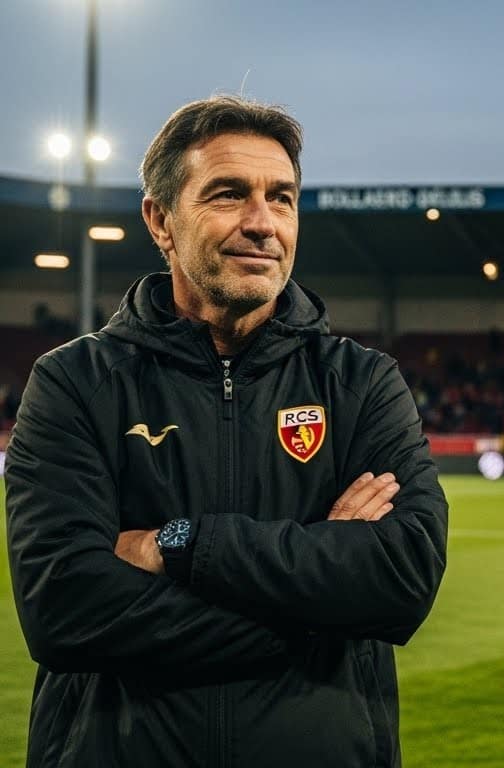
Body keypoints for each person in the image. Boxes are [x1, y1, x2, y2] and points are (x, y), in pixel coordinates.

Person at [4, 96, 448, 766]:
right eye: (228, 194)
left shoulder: (359, 382)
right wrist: (316, 619)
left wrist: (181, 544)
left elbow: (402, 576)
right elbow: (65, 610)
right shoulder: (75, 383)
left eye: (282, 198)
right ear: (161, 219)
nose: (263, 223)